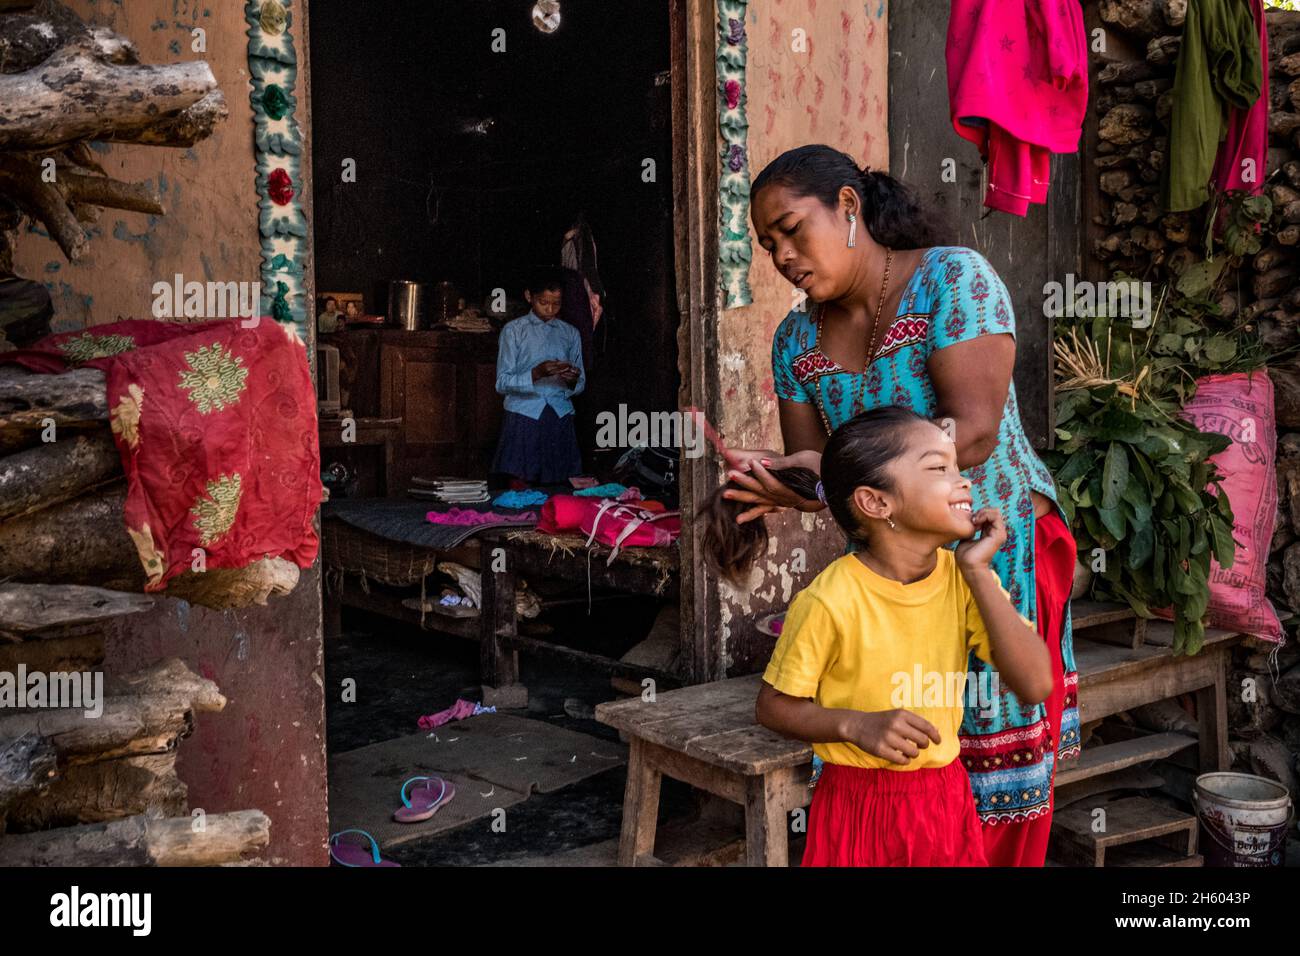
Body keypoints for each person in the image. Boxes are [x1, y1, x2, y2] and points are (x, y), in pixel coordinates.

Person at [723, 144, 1078, 866]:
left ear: (848, 208)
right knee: (905, 765)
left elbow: (971, 432)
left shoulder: (952, 280)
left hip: (990, 549)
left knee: (993, 770)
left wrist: (836, 475)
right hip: (890, 578)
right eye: (767, 245)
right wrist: (785, 484)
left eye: (793, 229)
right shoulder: (796, 340)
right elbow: (837, 478)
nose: (782, 255)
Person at [751, 407, 1052, 866]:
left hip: (944, 801)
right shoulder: (830, 599)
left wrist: (978, 571)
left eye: (957, 466)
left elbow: (1035, 684)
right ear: (876, 503)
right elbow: (773, 706)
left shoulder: (961, 579)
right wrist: (854, 724)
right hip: (858, 808)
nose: (964, 481)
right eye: (938, 468)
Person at [492, 268, 585, 483]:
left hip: (559, 415)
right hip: (524, 416)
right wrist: (536, 373)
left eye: (556, 304)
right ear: (529, 297)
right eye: (544, 302)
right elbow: (502, 382)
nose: (550, 309)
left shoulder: (570, 333)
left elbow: (580, 383)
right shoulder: (514, 331)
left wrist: (571, 379)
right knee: (522, 485)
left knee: (560, 484)